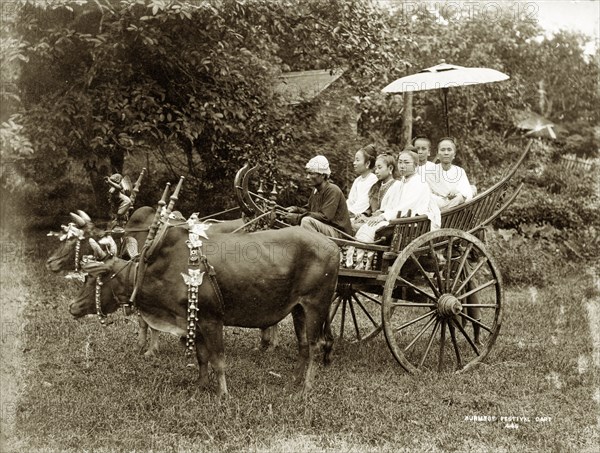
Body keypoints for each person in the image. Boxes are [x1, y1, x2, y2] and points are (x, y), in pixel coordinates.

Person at [348, 151, 440, 269]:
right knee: (367, 227)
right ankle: (355, 264)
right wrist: (381, 214)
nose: (402, 165)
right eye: (400, 162)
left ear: (416, 166)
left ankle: (362, 266)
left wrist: (384, 216)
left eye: (406, 162)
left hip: (411, 224)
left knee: (372, 229)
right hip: (400, 220)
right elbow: (393, 205)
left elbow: (407, 206)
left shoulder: (419, 183)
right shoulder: (402, 182)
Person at [284, 155, 352, 238]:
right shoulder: (316, 190)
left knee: (306, 221)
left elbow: (325, 217)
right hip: (326, 228)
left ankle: (312, 249)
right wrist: (296, 209)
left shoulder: (332, 190)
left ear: (323, 175)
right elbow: (309, 210)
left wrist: (298, 218)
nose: (307, 177)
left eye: (311, 173)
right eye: (308, 173)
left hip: (339, 233)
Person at [428, 137, 474, 209]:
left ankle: (446, 208)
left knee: (462, 196)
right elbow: (427, 194)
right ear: (437, 154)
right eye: (442, 150)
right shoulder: (430, 172)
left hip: (455, 211)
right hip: (436, 206)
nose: (446, 153)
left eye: (449, 150)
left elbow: (467, 192)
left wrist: (456, 191)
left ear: (454, 154)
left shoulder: (460, 171)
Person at [346, 144, 378, 233]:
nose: (354, 163)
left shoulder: (373, 179)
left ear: (367, 163)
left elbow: (364, 202)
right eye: (354, 160)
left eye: (357, 160)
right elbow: (351, 200)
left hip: (364, 215)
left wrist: (350, 213)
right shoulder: (358, 180)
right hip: (352, 213)